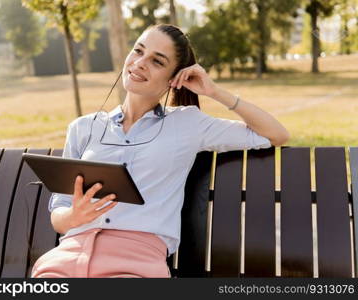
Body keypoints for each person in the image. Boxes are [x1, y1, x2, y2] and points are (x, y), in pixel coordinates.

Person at [31, 23, 290, 278]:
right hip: (67, 257)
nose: (140, 62)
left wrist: (214, 91)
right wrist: (73, 217)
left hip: (135, 263)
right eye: (138, 50)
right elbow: (59, 210)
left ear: (174, 79)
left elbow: (275, 134)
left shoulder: (188, 124)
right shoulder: (83, 127)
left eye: (157, 61)